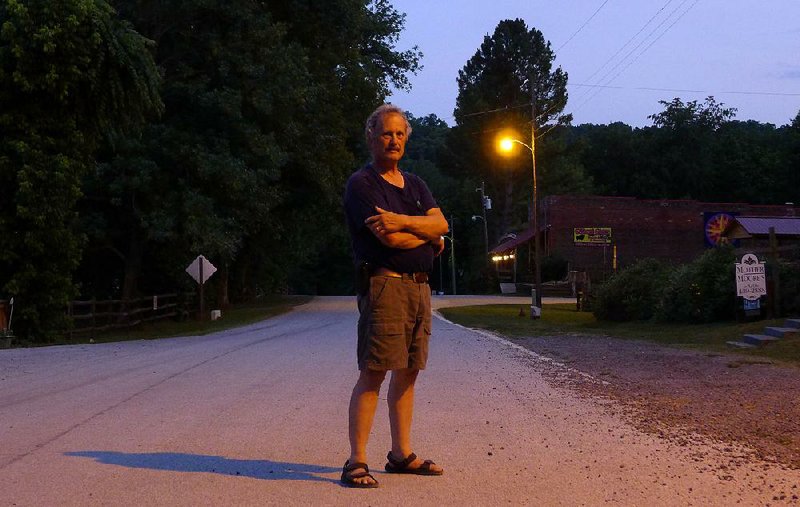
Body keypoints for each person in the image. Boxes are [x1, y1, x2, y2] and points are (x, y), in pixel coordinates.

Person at [341, 104, 448, 488]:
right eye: (387, 133)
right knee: (374, 372)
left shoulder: (416, 185)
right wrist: (427, 235)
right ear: (371, 137)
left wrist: (405, 222)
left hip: (419, 287)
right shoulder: (362, 184)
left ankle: (400, 455)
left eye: (400, 134)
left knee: (409, 373)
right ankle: (356, 461)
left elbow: (442, 226)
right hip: (384, 285)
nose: (394, 140)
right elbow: (389, 239)